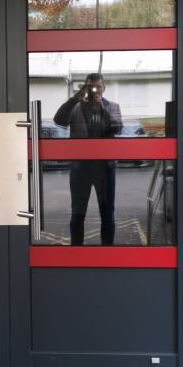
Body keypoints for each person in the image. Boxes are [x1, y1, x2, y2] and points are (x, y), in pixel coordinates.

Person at [54, 73, 122, 245]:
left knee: (107, 214)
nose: (95, 90)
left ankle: (107, 252)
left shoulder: (112, 106)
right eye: (91, 87)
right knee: (78, 213)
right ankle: (77, 253)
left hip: (105, 169)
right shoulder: (76, 106)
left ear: (104, 87)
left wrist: (102, 108)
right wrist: (76, 98)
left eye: (98, 86)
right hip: (80, 168)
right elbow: (59, 120)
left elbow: (117, 127)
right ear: (84, 87)